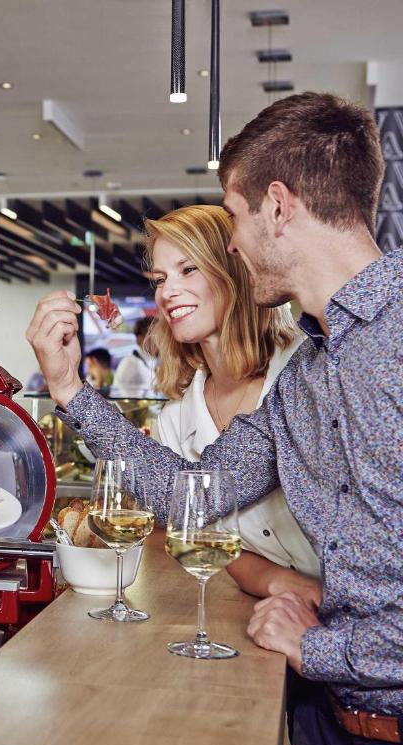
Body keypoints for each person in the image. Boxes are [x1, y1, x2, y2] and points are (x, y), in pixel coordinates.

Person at [26, 92, 402, 745]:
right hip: (330, 729)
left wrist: (320, 647)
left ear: (278, 207)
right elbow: (193, 493)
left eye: (234, 215)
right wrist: (70, 392)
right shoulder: (306, 377)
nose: (230, 242)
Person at [145, 204, 321, 606]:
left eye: (188, 269)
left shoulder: (307, 368)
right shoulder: (174, 420)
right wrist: (281, 584)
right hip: (271, 614)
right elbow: (209, 540)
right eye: (160, 279)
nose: (167, 292)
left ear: (234, 270)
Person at [112, 316, 156, 391]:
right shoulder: (130, 363)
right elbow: (118, 393)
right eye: (154, 335)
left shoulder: (154, 361)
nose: (161, 340)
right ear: (140, 338)